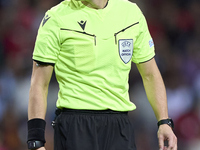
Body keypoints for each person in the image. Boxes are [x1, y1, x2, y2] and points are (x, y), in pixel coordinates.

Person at [27, 0, 177, 150]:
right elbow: (39, 83)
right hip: (75, 125)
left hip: (120, 126)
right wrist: (36, 140)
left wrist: (164, 122)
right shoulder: (56, 18)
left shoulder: (131, 14)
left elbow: (150, 74)